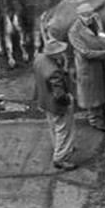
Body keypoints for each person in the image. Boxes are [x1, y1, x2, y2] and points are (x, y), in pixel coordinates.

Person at [67, 3, 105, 132]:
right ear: (79, 16)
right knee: (92, 94)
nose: (89, 18)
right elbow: (85, 53)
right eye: (85, 16)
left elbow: (101, 35)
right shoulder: (74, 32)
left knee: (104, 86)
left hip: (102, 63)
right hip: (89, 66)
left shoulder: (96, 19)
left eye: (90, 15)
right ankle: (96, 120)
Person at [32, 38, 77, 171]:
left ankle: (60, 147)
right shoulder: (53, 71)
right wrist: (68, 101)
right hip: (57, 105)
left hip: (44, 101)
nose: (63, 52)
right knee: (64, 130)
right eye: (60, 51)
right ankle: (60, 158)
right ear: (54, 54)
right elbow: (59, 94)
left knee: (54, 126)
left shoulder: (39, 58)